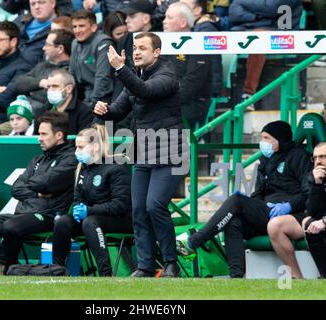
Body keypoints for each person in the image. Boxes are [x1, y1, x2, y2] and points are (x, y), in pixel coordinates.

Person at [94, 32, 188, 277]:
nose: (136, 52)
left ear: (156, 52)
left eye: (142, 48)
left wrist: (120, 69)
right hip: (144, 153)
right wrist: (103, 110)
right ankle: (145, 266)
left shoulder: (167, 75)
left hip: (170, 153)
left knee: (154, 205)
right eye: (135, 47)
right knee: (138, 211)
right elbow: (119, 110)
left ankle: (171, 263)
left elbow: (145, 91)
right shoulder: (135, 77)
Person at [177, 120, 311, 278]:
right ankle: (236, 276)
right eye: (262, 138)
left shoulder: (299, 156)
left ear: (279, 140)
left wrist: (289, 205)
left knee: (237, 200)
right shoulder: (265, 160)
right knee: (234, 222)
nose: (263, 143)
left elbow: (308, 192)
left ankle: (195, 241)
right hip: (266, 212)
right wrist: (252, 204)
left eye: (267, 138)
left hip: (289, 214)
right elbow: (258, 193)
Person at [0, 111, 77, 273]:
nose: (39, 137)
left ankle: (12, 268)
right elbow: (16, 188)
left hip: (47, 215)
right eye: (39, 133)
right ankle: (14, 264)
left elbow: (47, 182)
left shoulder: (70, 159)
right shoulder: (37, 160)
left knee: (12, 226)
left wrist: (32, 184)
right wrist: (37, 193)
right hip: (21, 213)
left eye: (44, 134)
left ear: (59, 135)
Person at [53, 125, 133, 276]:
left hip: (122, 220)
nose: (77, 151)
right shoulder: (83, 169)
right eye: (76, 147)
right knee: (62, 221)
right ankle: (57, 270)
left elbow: (120, 205)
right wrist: (78, 209)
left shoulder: (115, 168)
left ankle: (105, 273)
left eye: (81, 147)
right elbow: (78, 198)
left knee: (90, 221)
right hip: (92, 218)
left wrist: (89, 210)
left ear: (95, 147)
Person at [229, 0, 303, 111]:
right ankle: (219, 92)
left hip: (283, 31)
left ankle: (248, 95)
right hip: (254, 26)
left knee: (258, 39)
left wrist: (243, 2)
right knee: (228, 35)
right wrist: (257, 15)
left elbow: (274, 8)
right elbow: (234, 12)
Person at [162, 2, 212, 129]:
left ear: (183, 23)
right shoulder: (162, 44)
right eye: (165, 17)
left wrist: (164, 98)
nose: (164, 21)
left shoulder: (197, 45)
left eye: (169, 18)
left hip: (191, 103)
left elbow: (191, 83)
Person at [14, 29, 73, 119]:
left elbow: (47, 98)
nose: (43, 48)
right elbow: (18, 83)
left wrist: (32, 88)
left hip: (42, 117)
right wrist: (41, 83)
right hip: (21, 114)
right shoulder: (42, 65)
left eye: (48, 45)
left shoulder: (69, 70)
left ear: (60, 49)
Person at [69, 10, 114, 108]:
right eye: (74, 27)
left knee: (106, 123)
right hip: (85, 95)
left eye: (81, 26)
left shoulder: (104, 43)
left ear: (93, 27)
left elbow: (102, 77)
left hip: (105, 99)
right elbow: (71, 74)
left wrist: (93, 104)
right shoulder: (75, 43)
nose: (77, 31)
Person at [181, 0, 223, 97]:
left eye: (184, 6)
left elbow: (206, 65)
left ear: (197, 10)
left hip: (205, 88)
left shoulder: (207, 29)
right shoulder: (194, 27)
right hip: (197, 84)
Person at [35, 69, 93, 135]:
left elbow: (84, 141)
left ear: (69, 89)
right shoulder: (42, 112)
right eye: (48, 87)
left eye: (55, 86)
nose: (50, 90)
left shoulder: (84, 113)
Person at [302, 142, 326, 278]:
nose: (318, 161)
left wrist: (324, 221)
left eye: (322, 157)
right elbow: (312, 211)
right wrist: (318, 184)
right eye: (315, 158)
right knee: (309, 223)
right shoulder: (313, 177)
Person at [15, 0, 58, 66]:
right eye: (33, 4)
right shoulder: (19, 21)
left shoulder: (60, 28)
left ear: (53, 3)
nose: (36, 7)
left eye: (41, 2)